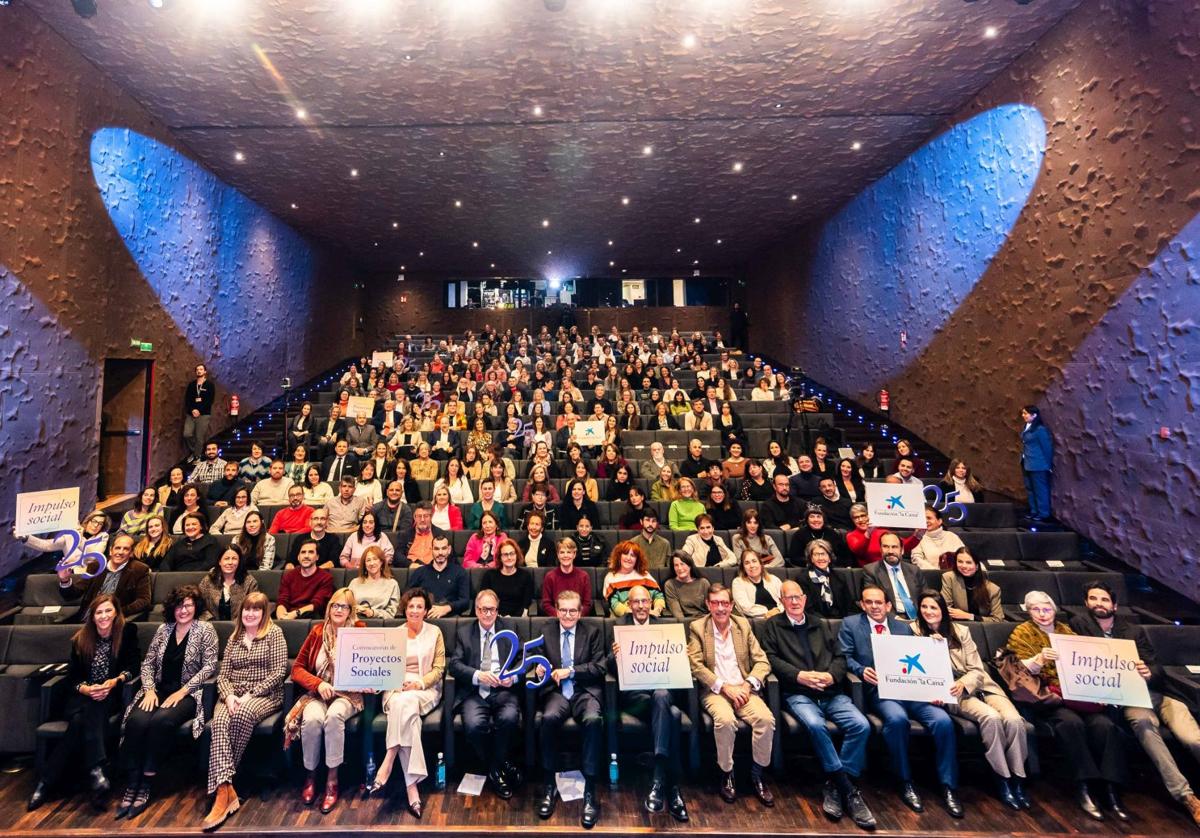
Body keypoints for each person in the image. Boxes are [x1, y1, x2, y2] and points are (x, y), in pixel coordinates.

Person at [1068, 581, 1200, 825]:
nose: (1099, 603)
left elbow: (1157, 668)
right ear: (1086, 603)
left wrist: (1148, 672)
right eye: (1094, 599)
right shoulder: (1079, 626)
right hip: (1132, 699)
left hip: (1161, 696)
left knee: (1194, 739)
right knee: (1144, 724)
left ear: (1115, 605)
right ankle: (1187, 796)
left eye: (1105, 599)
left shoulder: (1133, 631)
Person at [838, 584, 963, 818]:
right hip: (881, 691)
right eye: (869, 602)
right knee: (897, 719)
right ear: (862, 605)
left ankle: (948, 786)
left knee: (943, 721)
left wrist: (934, 685)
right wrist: (861, 669)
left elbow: (921, 662)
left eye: (879, 602)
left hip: (912, 691)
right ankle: (904, 780)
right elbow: (844, 657)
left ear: (888, 605)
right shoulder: (851, 624)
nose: (874, 606)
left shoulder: (903, 628)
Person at [759, 581, 875, 829]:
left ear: (804, 598)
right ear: (781, 601)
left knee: (861, 725)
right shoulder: (773, 626)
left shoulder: (819, 624)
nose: (794, 601)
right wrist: (799, 675)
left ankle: (835, 784)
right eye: (788, 597)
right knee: (815, 724)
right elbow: (770, 659)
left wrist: (832, 676)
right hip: (798, 692)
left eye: (798, 596)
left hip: (831, 691)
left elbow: (840, 657)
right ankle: (848, 789)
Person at [1006, 590, 1128, 820]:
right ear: (1029, 612)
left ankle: (1111, 789)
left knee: (1105, 725)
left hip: (1078, 694)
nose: (1042, 614)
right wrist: (1039, 660)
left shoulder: (1066, 631)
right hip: (1048, 696)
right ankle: (1084, 786)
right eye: (1036, 609)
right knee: (1070, 723)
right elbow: (1018, 673)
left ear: (1054, 610)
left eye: (1047, 609)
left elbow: (1086, 666)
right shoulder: (1021, 633)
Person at [912, 591, 1029, 810]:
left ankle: (1018, 779)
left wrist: (965, 682)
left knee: (1015, 720)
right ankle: (1002, 779)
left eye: (934, 607)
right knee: (991, 718)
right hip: (951, 691)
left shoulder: (960, 631)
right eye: (924, 607)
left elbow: (977, 669)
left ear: (943, 611)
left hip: (981, 687)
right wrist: (933, 648)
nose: (928, 612)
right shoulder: (915, 633)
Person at [26, 595, 139, 812]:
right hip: (82, 696)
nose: (104, 616)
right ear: (93, 616)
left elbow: (133, 665)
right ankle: (96, 769)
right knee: (88, 709)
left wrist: (114, 681)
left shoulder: (127, 632)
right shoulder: (81, 638)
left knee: (79, 722)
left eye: (108, 611)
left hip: (111, 694)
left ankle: (45, 782)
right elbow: (73, 677)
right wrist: (86, 689)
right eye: (99, 612)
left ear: (116, 612)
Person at [115, 584, 218, 818]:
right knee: (136, 721)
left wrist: (183, 691)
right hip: (158, 690)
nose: (183, 610)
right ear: (172, 608)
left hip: (188, 693)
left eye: (189, 605)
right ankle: (133, 780)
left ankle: (147, 781)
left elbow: (210, 666)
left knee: (161, 721)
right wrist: (149, 689)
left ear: (196, 607)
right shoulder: (163, 630)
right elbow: (148, 663)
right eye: (179, 606)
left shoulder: (205, 629)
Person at [201, 591, 288, 831]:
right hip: (233, 694)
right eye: (247, 609)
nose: (250, 614)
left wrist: (248, 695)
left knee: (242, 714)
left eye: (256, 609)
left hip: (264, 695)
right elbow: (224, 674)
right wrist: (228, 695)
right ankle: (226, 788)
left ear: (264, 613)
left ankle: (223, 787)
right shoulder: (234, 637)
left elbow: (279, 672)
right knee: (218, 723)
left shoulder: (274, 634)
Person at [686, 583, 775, 806]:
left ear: (731, 605)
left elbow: (762, 661)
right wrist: (725, 687)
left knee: (766, 720)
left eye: (724, 603)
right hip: (716, 691)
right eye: (715, 603)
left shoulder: (742, 625)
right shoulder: (698, 627)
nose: (720, 608)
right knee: (725, 721)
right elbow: (695, 665)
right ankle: (727, 773)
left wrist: (747, 685)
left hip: (744, 689)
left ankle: (757, 774)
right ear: (708, 604)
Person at [607, 585, 689, 822]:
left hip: (660, 690)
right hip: (635, 696)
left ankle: (659, 779)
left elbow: (676, 667)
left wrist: (678, 654)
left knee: (663, 696)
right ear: (629, 605)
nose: (641, 606)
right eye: (636, 602)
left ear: (651, 604)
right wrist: (616, 655)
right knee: (672, 715)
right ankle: (671, 787)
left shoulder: (664, 627)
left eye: (645, 601)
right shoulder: (619, 627)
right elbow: (607, 666)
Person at [365, 588, 445, 820]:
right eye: (411, 606)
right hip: (396, 689)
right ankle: (413, 789)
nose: (415, 610)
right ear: (405, 609)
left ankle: (388, 759)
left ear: (426, 610)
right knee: (407, 714)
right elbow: (386, 667)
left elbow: (439, 669)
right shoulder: (395, 634)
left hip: (425, 689)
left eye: (420, 606)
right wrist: (394, 681)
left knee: (407, 703)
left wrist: (419, 683)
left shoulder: (435, 632)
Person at [285, 589, 365, 814]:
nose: (339, 610)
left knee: (333, 716)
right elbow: (297, 669)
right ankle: (310, 775)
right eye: (335, 605)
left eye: (344, 606)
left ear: (351, 611)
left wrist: (371, 682)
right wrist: (317, 684)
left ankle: (332, 779)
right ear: (329, 608)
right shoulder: (317, 631)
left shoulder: (360, 632)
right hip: (318, 694)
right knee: (311, 719)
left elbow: (370, 666)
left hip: (348, 695)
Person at [532, 589, 605, 828]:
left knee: (594, 719)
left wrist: (572, 671)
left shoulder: (592, 632)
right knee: (549, 717)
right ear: (556, 609)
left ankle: (590, 789)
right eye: (563, 610)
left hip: (584, 691)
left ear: (580, 611)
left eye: (573, 610)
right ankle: (549, 783)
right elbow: (535, 659)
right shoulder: (545, 630)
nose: (568, 615)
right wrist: (539, 670)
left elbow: (599, 667)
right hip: (557, 692)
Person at [448, 589, 524, 799]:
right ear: (476, 610)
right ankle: (499, 766)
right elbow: (454, 665)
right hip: (474, 692)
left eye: (492, 610)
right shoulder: (464, 632)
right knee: (472, 726)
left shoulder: (510, 628)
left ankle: (495, 766)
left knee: (509, 719)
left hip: (503, 689)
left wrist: (514, 676)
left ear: (497, 611)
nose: (488, 614)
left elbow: (523, 660)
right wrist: (477, 675)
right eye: (484, 609)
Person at [58, 533, 151, 620]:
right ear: (111, 550)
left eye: (126, 549)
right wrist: (65, 580)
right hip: (89, 617)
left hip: (116, 619)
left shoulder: (140, 569)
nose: (120, 552)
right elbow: (73, 594)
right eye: (117, 548)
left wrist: (118, 612)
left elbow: (144, 601)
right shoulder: (96, 566)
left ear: (131, 553)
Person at [17, 508, 111, 572]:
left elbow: (93, 557)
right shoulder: (71, 536)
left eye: (100, 524)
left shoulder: (103, 536)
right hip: (67, 573)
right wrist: (26, 538)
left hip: (86, 575)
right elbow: (47, 545)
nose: (96, 526)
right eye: (94, 521)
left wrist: (80, 539)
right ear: (88, 521)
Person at [862, 532, 924, 621]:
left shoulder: (914, 570)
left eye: (894, 547)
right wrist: (894, 618)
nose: (890, 551)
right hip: (890, 618)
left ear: (902, 550)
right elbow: (873, 602)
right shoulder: (871, 571)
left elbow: (925, 596)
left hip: (918, 618)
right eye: (886, 546)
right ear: (880, 549)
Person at [407, 534, 470, 617]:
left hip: (450, 619)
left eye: (443, 548)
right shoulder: (420, 572)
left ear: (449, 549)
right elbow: (407, 597)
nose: (440, 553)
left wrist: (447, 608)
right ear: (431, 550)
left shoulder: (460, 572)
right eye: (436, 549)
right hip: (424, 618)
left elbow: (465, 601)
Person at [797, 539, 858, 619]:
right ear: (811, 559)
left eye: (823, 554)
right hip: (817, 622)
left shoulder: (839, 577)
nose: (820, 558)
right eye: (816, 554)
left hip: (841, 621)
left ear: (829, 558)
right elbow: (808, 609)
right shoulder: (803, 579)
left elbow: (849, 605)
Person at [198, 544, 260, 621]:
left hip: (241, 626)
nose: (230, 562)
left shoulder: (250, 582)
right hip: (212, 626)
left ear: (239, 562)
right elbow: (200, 606)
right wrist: (211, 622)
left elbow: (254, 608)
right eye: (226, 558)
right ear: (219, 562)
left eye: (234, 558)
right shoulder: (208, 581)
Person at [603, 541, 666, 617]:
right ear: (619, 556)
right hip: (623, 619)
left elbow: (658, 596)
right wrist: (634, 614)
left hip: (648, 617)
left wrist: (657, 610)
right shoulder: (611, 577)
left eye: (633, 555)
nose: (629, 558)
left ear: (637, 559)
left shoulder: (645, 575)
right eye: (625, 554)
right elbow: (614, 603)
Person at [276, 539, 335, 619]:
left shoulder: (326, 577)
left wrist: (294, 614)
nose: (306, 556)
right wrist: (281, 616)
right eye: (303, 552)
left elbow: (317, 604)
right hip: (288, 614)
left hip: (310, 616)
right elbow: (282, 600)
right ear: (298, 557)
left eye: (311, 552)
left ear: (317, 557)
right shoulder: (289, 575)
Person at [940, 548, 1004, 622]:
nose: (963, 566)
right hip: (957, 625)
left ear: (977, 566)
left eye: (969, 562)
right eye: (960, 561)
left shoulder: (993, 589)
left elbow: (998, 620)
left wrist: (969, 616)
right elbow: (945, 608)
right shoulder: (949, 578)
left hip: (983, 628)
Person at [845, 503, 919, 567]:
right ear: (853, 520)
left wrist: (918, 534)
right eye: (856, 518)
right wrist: (868, 534)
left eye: (863, 516)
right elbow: (859, 550)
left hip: (892, 567)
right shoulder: (851, 536)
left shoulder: (882, 532)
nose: (861, 520)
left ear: (868, 516)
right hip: (871, 573)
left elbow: (904, 546)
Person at [480, 538, 534, 616]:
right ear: (500, 557)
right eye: (505, 554)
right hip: (493, 617)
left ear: (517, 555)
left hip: (517, 619)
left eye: (512, 553)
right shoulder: (489, 575)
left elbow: (526, 604)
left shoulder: (525, 576)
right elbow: (484, 600)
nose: (509, 557)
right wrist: (496, 615)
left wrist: (512, 618)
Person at [540, 537, 592, 617]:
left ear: (574, 554)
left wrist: (576, 615)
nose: (565, 555)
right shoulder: (550, 577)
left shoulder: (583, 576)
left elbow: (587, 604)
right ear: (558, 555)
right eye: (562, 552)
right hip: (557, 619)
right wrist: (560, 615)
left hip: (577, 619)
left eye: (569, 552)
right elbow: (546, 604)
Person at [1020, 405, 1054, 521]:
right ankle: (1034, 511)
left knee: (1040, 489)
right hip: (1026, 462)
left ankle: (1043, 513)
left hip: (1038, 464)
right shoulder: (1026, 426)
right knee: (1030, 488)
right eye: (1023, 413)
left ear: (1034, 415)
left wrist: (1048, 465)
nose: (1023, 415)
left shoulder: (1040, 430)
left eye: (1025, 413)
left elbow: (1047, 448)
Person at [349, 545, 401, 619]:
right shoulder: (354, 583)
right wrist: (355, 608)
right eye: (368, 560)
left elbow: (392, 613)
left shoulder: (392, 584)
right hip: (356, 623)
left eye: (375, 559)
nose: (372, 563)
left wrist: (373, 613)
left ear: (381, 562)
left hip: (380, 625)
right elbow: (347, 605)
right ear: (364, 564)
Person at [909, 505, 965, 570]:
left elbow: (964, 555)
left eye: (929, 518)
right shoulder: (917, 538)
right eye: (923, 519)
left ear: (939, 521)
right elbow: (916, 559)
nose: (926, 521)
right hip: (930, 575)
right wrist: (936, 573)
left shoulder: (952, 536)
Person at [731, 550, 783, 618]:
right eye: (747, 563)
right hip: (757, 622)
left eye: (754, 561)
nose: (751, 565)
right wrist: (769, 612)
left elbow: (786, 601)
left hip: (780, 616)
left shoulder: (774, 579)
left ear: (760, 564)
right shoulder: (738, 583)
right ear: (743, 568)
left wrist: (778, 610)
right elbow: (745, 607)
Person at [665, 552, 710, 621]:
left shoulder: (703, 583)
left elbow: (710, 609)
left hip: (703, 621)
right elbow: (677, 614)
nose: (679, 568)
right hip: (684, 622)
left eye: (682, 564)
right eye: (676, 565)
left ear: (690, 565)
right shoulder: (670, 584)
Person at [183, 363, 214, 462]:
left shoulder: (209, 385)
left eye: (201, 369)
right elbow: (187, 399)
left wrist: (199, 410)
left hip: (204, 414)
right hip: (191, 413)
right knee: (187, 434)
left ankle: (197, 456)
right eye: (197, 369)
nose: (199, 371)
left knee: (199, 437)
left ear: (205, 372)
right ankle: (194, 451)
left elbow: (210, 400)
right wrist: (193, 410)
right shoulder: (192, 385)